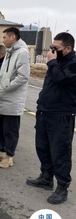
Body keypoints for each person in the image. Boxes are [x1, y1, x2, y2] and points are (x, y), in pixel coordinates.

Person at [26, 32, 76, 204]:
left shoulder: (72, 64)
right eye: (51, 48)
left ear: (68, 48)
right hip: (45, 112)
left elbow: (62, 79)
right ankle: (46, 177)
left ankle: (62, 187)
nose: (52, 51)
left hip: (61, 115)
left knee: (60, 152)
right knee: (43, 147)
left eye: (56, 48)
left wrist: (52, 62)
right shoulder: (57, 63)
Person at [0, 27, 30, 168]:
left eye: (5, 37)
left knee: (10, 129)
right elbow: (3, 74)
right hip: (2, 97)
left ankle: (9, 156)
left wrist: (6, 87)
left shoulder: (22, 52)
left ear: (13, 37)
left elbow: (22, 77)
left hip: (12, 99)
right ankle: (1, 151)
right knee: (0, 127)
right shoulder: (9, 52)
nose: (3, 40)